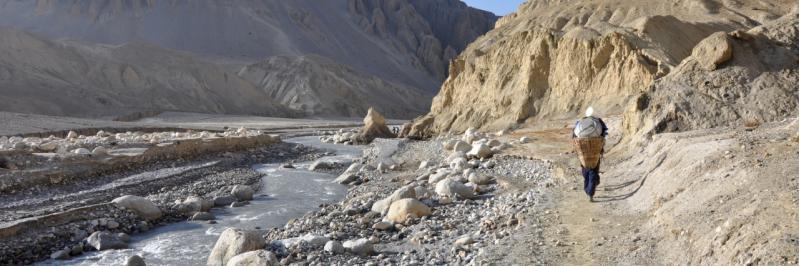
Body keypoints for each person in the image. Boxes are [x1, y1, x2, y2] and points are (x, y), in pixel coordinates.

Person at [572, 107, 608, 202]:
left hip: (583, 150)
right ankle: (591, 192)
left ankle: (588, 188)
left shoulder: (580, 122)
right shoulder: (598, 122)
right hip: (595, 149)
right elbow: (604, 133)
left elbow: (574, 135)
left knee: (585, 169)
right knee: (593, 169)